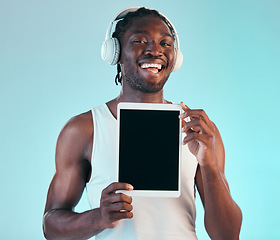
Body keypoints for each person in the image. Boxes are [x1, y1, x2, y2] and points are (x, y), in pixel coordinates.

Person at [43, 7, 242, 240]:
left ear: (175, 57)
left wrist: (208, 163)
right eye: (139, 40)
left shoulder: (198, 130)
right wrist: (98, 218)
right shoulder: (85, 129)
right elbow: (51, 227)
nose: (155, 50)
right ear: (115, 53)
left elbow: (227, 235)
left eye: (165, 43)